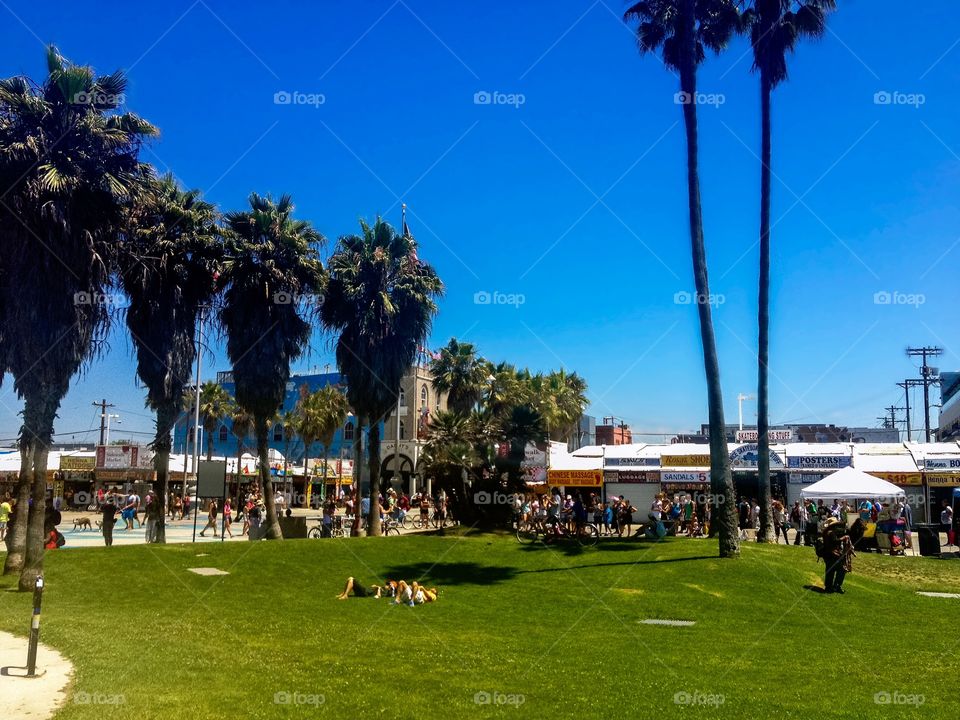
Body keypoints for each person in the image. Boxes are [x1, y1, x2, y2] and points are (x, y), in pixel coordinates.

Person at [821, 517, 854, 594]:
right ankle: (837, 586)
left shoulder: (826, 532)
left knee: (830, 571)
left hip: (827, 554)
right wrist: (844, 538)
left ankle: (828, 587)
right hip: (833, 554)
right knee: (842, 570)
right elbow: (835, 541)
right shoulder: (831, 532)